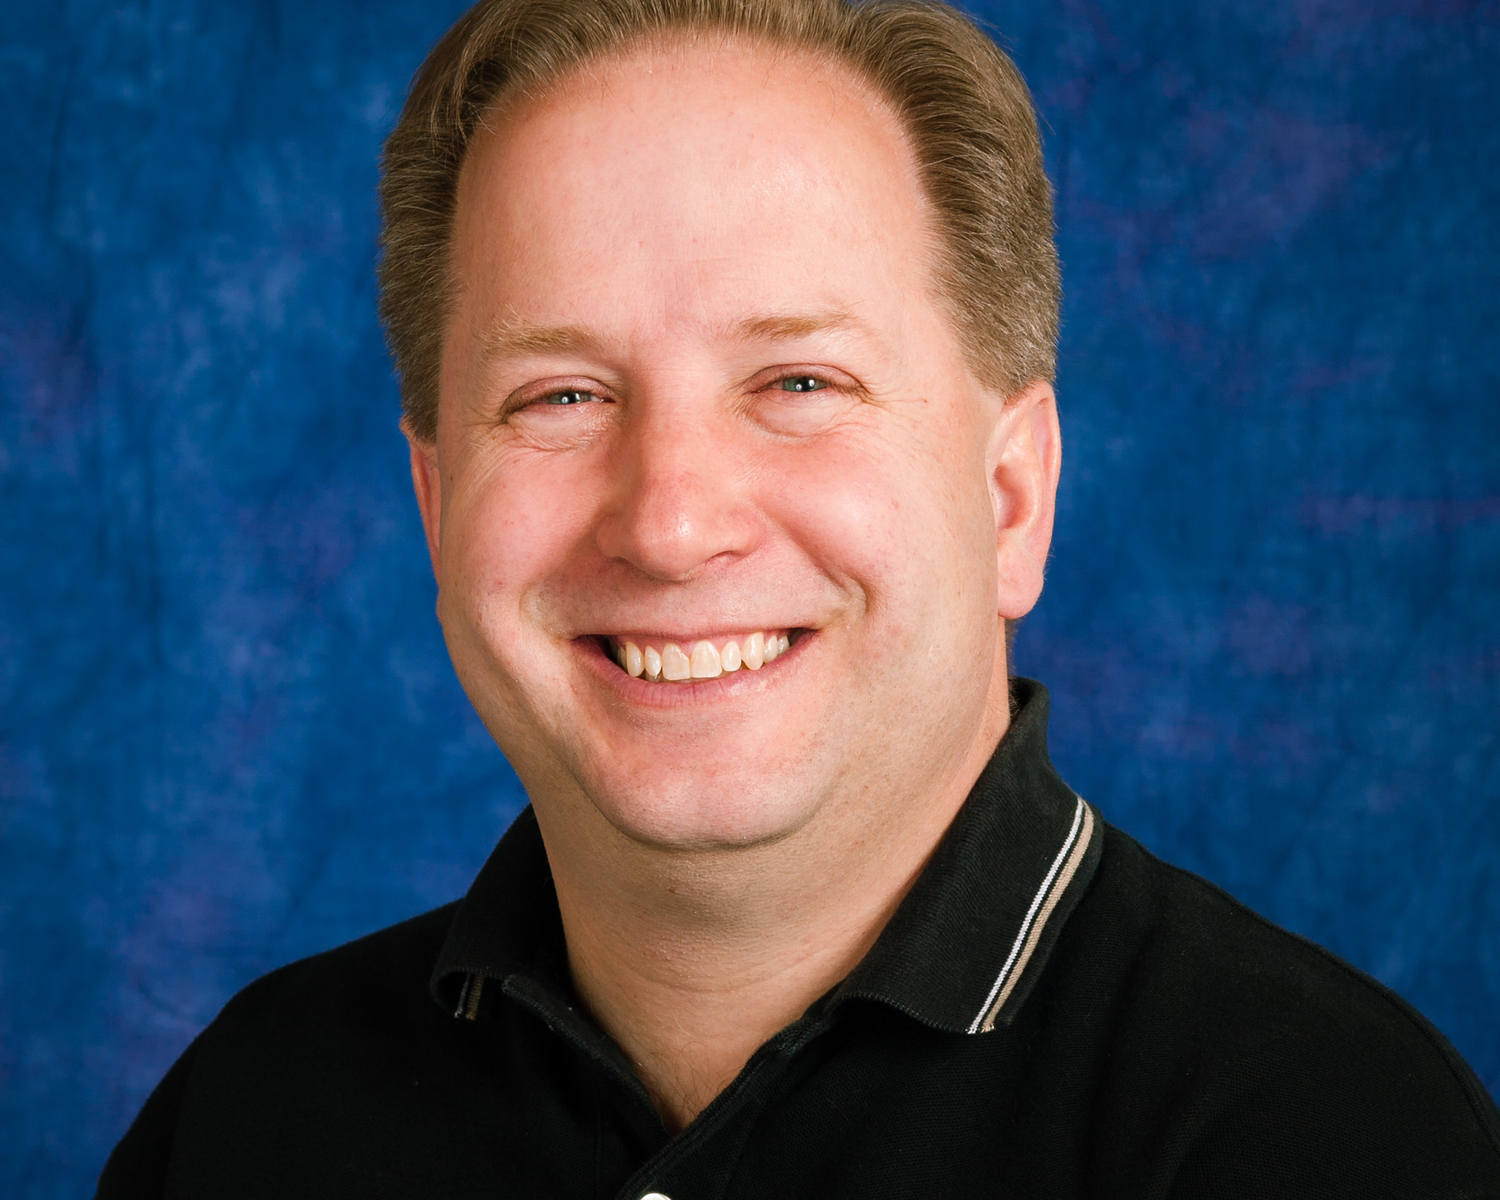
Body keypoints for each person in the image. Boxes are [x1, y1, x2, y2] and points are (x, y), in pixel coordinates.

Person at [98, 0, 1500, 1194]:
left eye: (799, 382)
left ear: (1011, 497)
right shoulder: (245, 1125)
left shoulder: (1322, 1139)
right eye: (561, 396)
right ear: (436, 501)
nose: (670, 524)